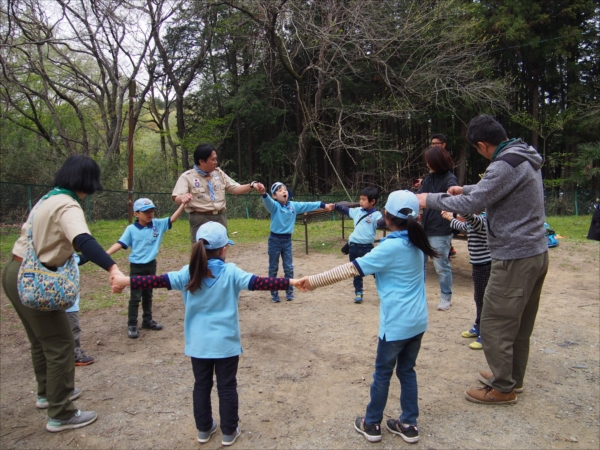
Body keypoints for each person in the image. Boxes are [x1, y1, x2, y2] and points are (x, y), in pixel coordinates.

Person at [111, 222, 300, 446]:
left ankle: (204, 429)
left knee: (201, 385)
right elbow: (261, 282)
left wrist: (124, 280)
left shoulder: (188, 272)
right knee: (227, 386)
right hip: (226, 344)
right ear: (224, 249)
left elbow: (156, 280)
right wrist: (292, 282)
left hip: (198, 345)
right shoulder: (231, 272)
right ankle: (229, 431)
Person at [416, 114, 548, 405]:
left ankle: (502, 388)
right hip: (535, 252)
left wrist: (428, 199)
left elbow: (473, 205)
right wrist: (464, 188)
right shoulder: (522, 156)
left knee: (495, 320)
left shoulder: (503, 164)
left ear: (482, 145)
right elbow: (490, 190)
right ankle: (511, 377)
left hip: (515, 256)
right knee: (519, 321)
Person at [297, 190, 439, 444]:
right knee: (407, 371)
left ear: (386, 216)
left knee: (382, 373)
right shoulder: (418, 241)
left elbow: (351, 269)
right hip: (418, 321)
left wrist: (312, 281)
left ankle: (371, 423)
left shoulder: (390, 247)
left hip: (396, 324)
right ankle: (409, 424)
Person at [2, 155, 124, 432]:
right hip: (36, 279)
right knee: (61, 344)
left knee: (41, 340)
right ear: (87, 181)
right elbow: (83, 240)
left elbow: (53, 241)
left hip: (15, 271)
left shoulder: (47, 198)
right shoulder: (68, 205)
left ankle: (48, 394)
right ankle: (61, 413)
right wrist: (112, 268)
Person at [107, 195, 191, 338]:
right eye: (146, 211)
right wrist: (104, 254)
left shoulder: (157, 224)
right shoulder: (131, 229)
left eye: (151, 210)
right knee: (135, 297)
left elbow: (172, 219)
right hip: (137, 267)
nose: (150, 214)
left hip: (151, 265)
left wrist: (183, 205)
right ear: (136, 214)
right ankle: (132, 324)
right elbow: (120, 244)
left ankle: (147, 320)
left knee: (148, 294)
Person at [171, 143, 265, 243]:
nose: (216, 162)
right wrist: (183, 198)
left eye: (216, 159)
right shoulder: (187, 177)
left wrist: (252, 185)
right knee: (201, 252)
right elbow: (176, 197)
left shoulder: (218, 173)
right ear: (202, 161)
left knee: (221, 249)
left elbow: (235, 188)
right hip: (200, 219)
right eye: (213, 159)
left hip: (220, 218)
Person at [258, 182, 333, 302]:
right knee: (273, 267)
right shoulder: (274, 206)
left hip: (287, 241)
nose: (284, 191)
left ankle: (289, 290)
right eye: (280, 190)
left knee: (288, 268)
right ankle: (274, 291)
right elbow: (267, 201)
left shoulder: (293, 206)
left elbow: (308, 205)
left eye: (285, 189)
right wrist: (263, 193)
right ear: (274, 196)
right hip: (274, 241)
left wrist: (324, 205)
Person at [441, 211, 491, 350]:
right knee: (479, 298)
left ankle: (485, 334)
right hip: (478, 264)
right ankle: (478, 326)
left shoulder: (483, 220)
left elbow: (469, 217)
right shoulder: (474, 222)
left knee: (483, 300)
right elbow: (464, 227)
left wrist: (459, 203)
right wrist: (450, 218)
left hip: (485, 265)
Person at [416, 145, 458, 310]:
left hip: (441, 229)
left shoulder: (450, 180)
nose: (427, 165)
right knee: (420, 265)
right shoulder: (428, 178)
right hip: (425, 228)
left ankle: (446, 297)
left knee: (441, 266)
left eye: (429, 162)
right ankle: (420, 297)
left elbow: (452, 201)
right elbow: (419, 195)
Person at [332, 187, 383, 303]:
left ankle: (383, 291)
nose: (361, 202)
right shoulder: (357, 211)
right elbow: (345, 210)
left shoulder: (376, 215)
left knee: (376, 271)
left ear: (372, 201)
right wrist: (335, 206)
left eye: (364, 199)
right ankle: (358, 293)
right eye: (360, 199)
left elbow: (382, 222)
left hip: (367, 248)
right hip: (354, 246)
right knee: (355, 271)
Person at [66, 254, 95, 366]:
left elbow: (80, 259)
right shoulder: (64, 256)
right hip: (68, 302)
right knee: (74, 329)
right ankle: (74, 355)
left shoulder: (71, 256)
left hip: (68, 300)